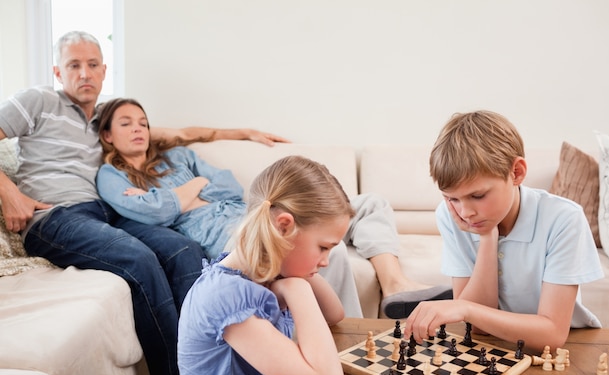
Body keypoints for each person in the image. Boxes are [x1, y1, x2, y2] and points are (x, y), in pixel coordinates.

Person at [0, 31, 286, 375]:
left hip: (107, 214)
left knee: (183, 249)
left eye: (92, 65)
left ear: (104, 71)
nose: (84, 73)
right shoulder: (38, 100)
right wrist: (10, 192)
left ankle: (217, 365)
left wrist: (244, 132)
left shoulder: (106, 118)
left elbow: (184, 134)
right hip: (58, 216)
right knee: (140, 261)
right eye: (73, 65)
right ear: (58, 71)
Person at [94, 98, 452, 318]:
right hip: (222, 232)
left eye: (143, 123)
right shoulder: (110, 176)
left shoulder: (179, 156)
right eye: (126, 124)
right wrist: (191, 190)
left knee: (371, 202)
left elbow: (227, 185)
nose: (138, 129)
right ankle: (345, 343)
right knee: (336, 251)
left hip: (249, 210)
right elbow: (154, 214)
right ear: (108, 135)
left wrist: (182, 194)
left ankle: (393, 284)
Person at [404, 110, 604, 352]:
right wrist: (488, 236)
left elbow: (552, 334)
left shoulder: (564, 219)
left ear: (516, 172)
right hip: (495, 346)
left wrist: (465, 308)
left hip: (557, 351)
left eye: (477, 195)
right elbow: (477, 328)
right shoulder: (449, 215)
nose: (465, 212)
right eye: (452, 198)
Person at [170, 155, 351, 375]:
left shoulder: (265, 273)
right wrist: (297, 289)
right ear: (283, 226)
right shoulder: (227, 296)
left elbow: (335, 314)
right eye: (323, 247)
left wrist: (297, 279)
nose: (325, 261)